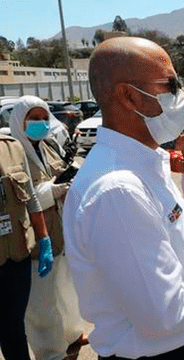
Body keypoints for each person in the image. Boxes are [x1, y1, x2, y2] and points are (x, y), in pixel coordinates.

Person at [62, 36, 184, 360]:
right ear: (128, 96)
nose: (179, 98)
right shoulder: (118, 191)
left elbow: (180, 260)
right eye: (170, 85)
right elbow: (165, 314)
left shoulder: (147, 164)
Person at [9, 95, 88, 360]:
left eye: (45, 118)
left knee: (65, 293)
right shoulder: (13, 153)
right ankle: (50, 353)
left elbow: (59, 173)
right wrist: (53, 190)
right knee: (42, 306)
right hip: (32, 238)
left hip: (58, 234)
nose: (41, 124)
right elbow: (23, 196)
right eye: (35, 119)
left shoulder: (48, 146)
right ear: (21, 120)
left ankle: (71, 336)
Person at [0, 132, 52, 360]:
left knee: (13, 327)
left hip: (16, 255)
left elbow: (31, 197)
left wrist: (44, 239)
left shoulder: (13, 148)